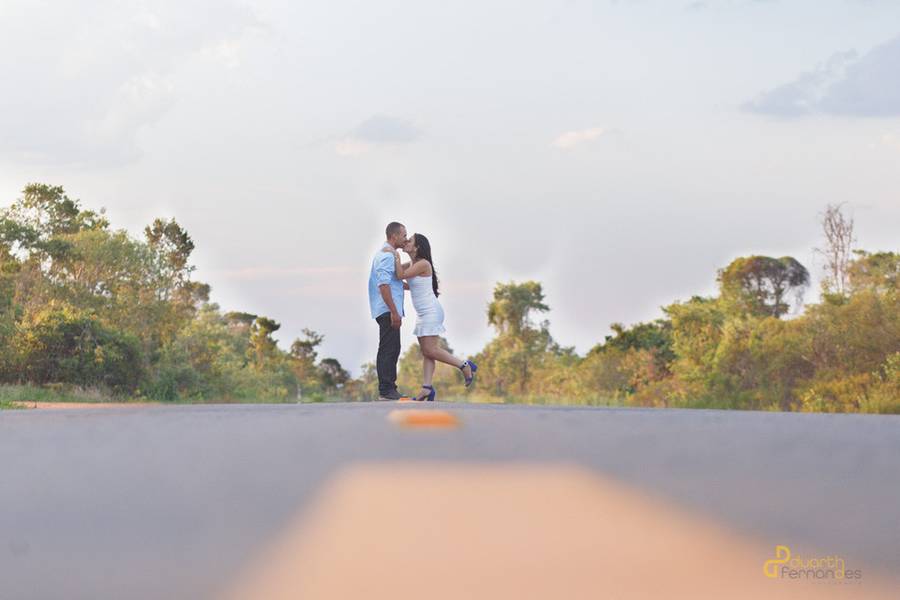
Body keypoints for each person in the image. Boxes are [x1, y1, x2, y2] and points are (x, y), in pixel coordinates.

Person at [392, 232, 477, 401]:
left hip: (431, 311)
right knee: (427, 353)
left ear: (417, 248)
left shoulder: (423, 264)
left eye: (410, 241)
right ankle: (426, 388)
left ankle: (464, 365)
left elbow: (400, 274)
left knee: (431, 349)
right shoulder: (413, 263)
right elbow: (407, 282)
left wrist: (394, 254)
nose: (407, 241)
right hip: (423, 313)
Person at [368, 222, 407, 401]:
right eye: (403, 235)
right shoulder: (386, 256)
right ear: (394, 236)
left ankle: (389, 388)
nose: (405, 238)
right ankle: (386, 390)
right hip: (387, 309)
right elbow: (383, 285)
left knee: (393, 348)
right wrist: (393, 311)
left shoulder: (392, 255)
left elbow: (395, 281)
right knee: (388, 349)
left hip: (388, 308)